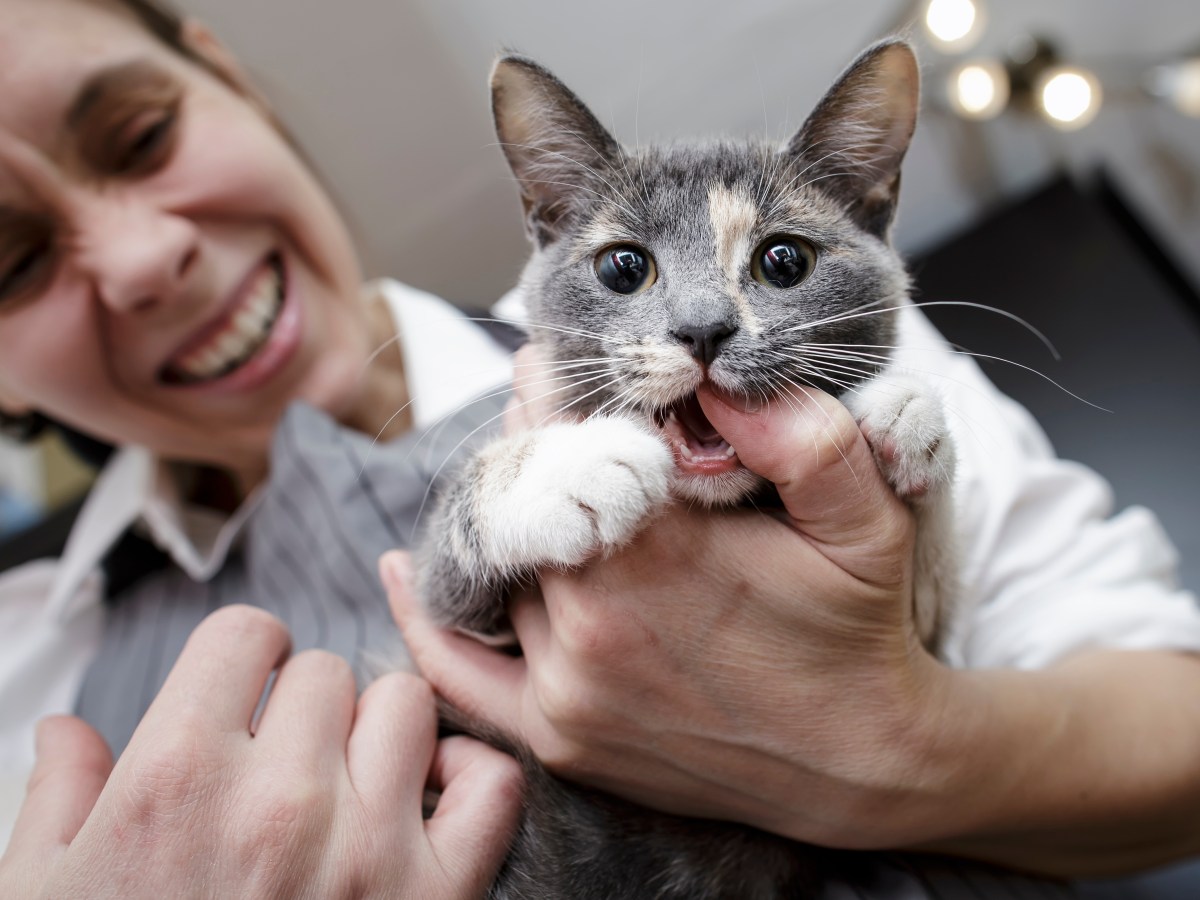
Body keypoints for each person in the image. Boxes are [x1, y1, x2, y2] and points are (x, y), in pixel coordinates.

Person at [0, 0, 1199, 896]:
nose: (146, 258)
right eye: (14, 260)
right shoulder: (28, 676)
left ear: (226, 77)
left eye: (142, 132)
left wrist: (882, 745)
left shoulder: (841, 367)